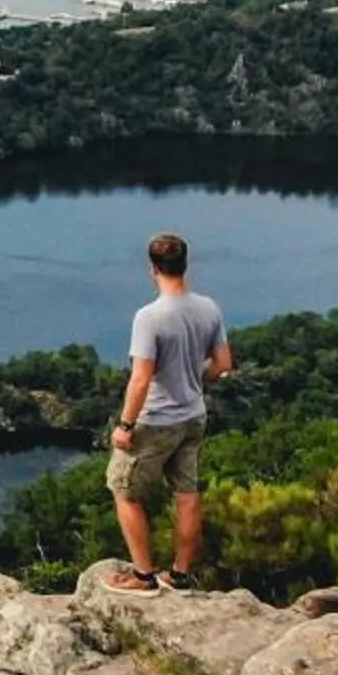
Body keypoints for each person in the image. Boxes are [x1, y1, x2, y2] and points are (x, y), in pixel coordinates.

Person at [101, 231, 232, 593]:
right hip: (193, 416)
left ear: (152, 269)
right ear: (185, 264)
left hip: (156, 420)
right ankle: (179, 575)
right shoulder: (208, 308)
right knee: (187, 493)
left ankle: (143, 576)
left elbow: (141, 379)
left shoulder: (150, 317)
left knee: (124, 490)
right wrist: (194, 379)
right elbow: (222, 364)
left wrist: (125, 425)